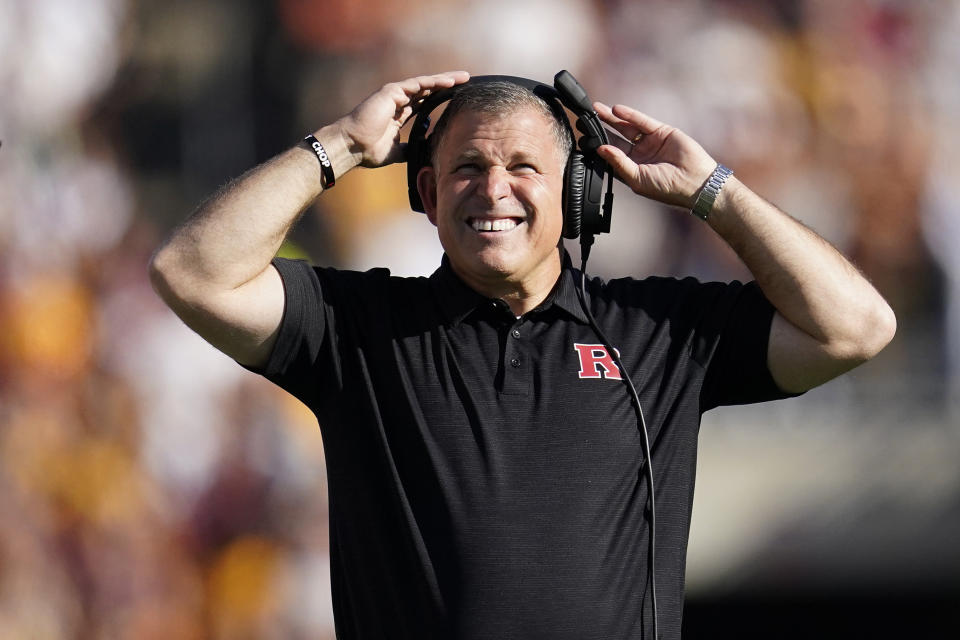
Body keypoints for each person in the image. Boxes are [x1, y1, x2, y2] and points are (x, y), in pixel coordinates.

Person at [150, 71, 896, 639]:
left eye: (523, 167)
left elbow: (855, 327)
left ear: (579, 194)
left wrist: (713, 191)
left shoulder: (657, 330)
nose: (493, 188)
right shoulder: (355, 328)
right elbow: (191, 272)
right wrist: (341, 144)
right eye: (468, 168)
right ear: (428, 192)